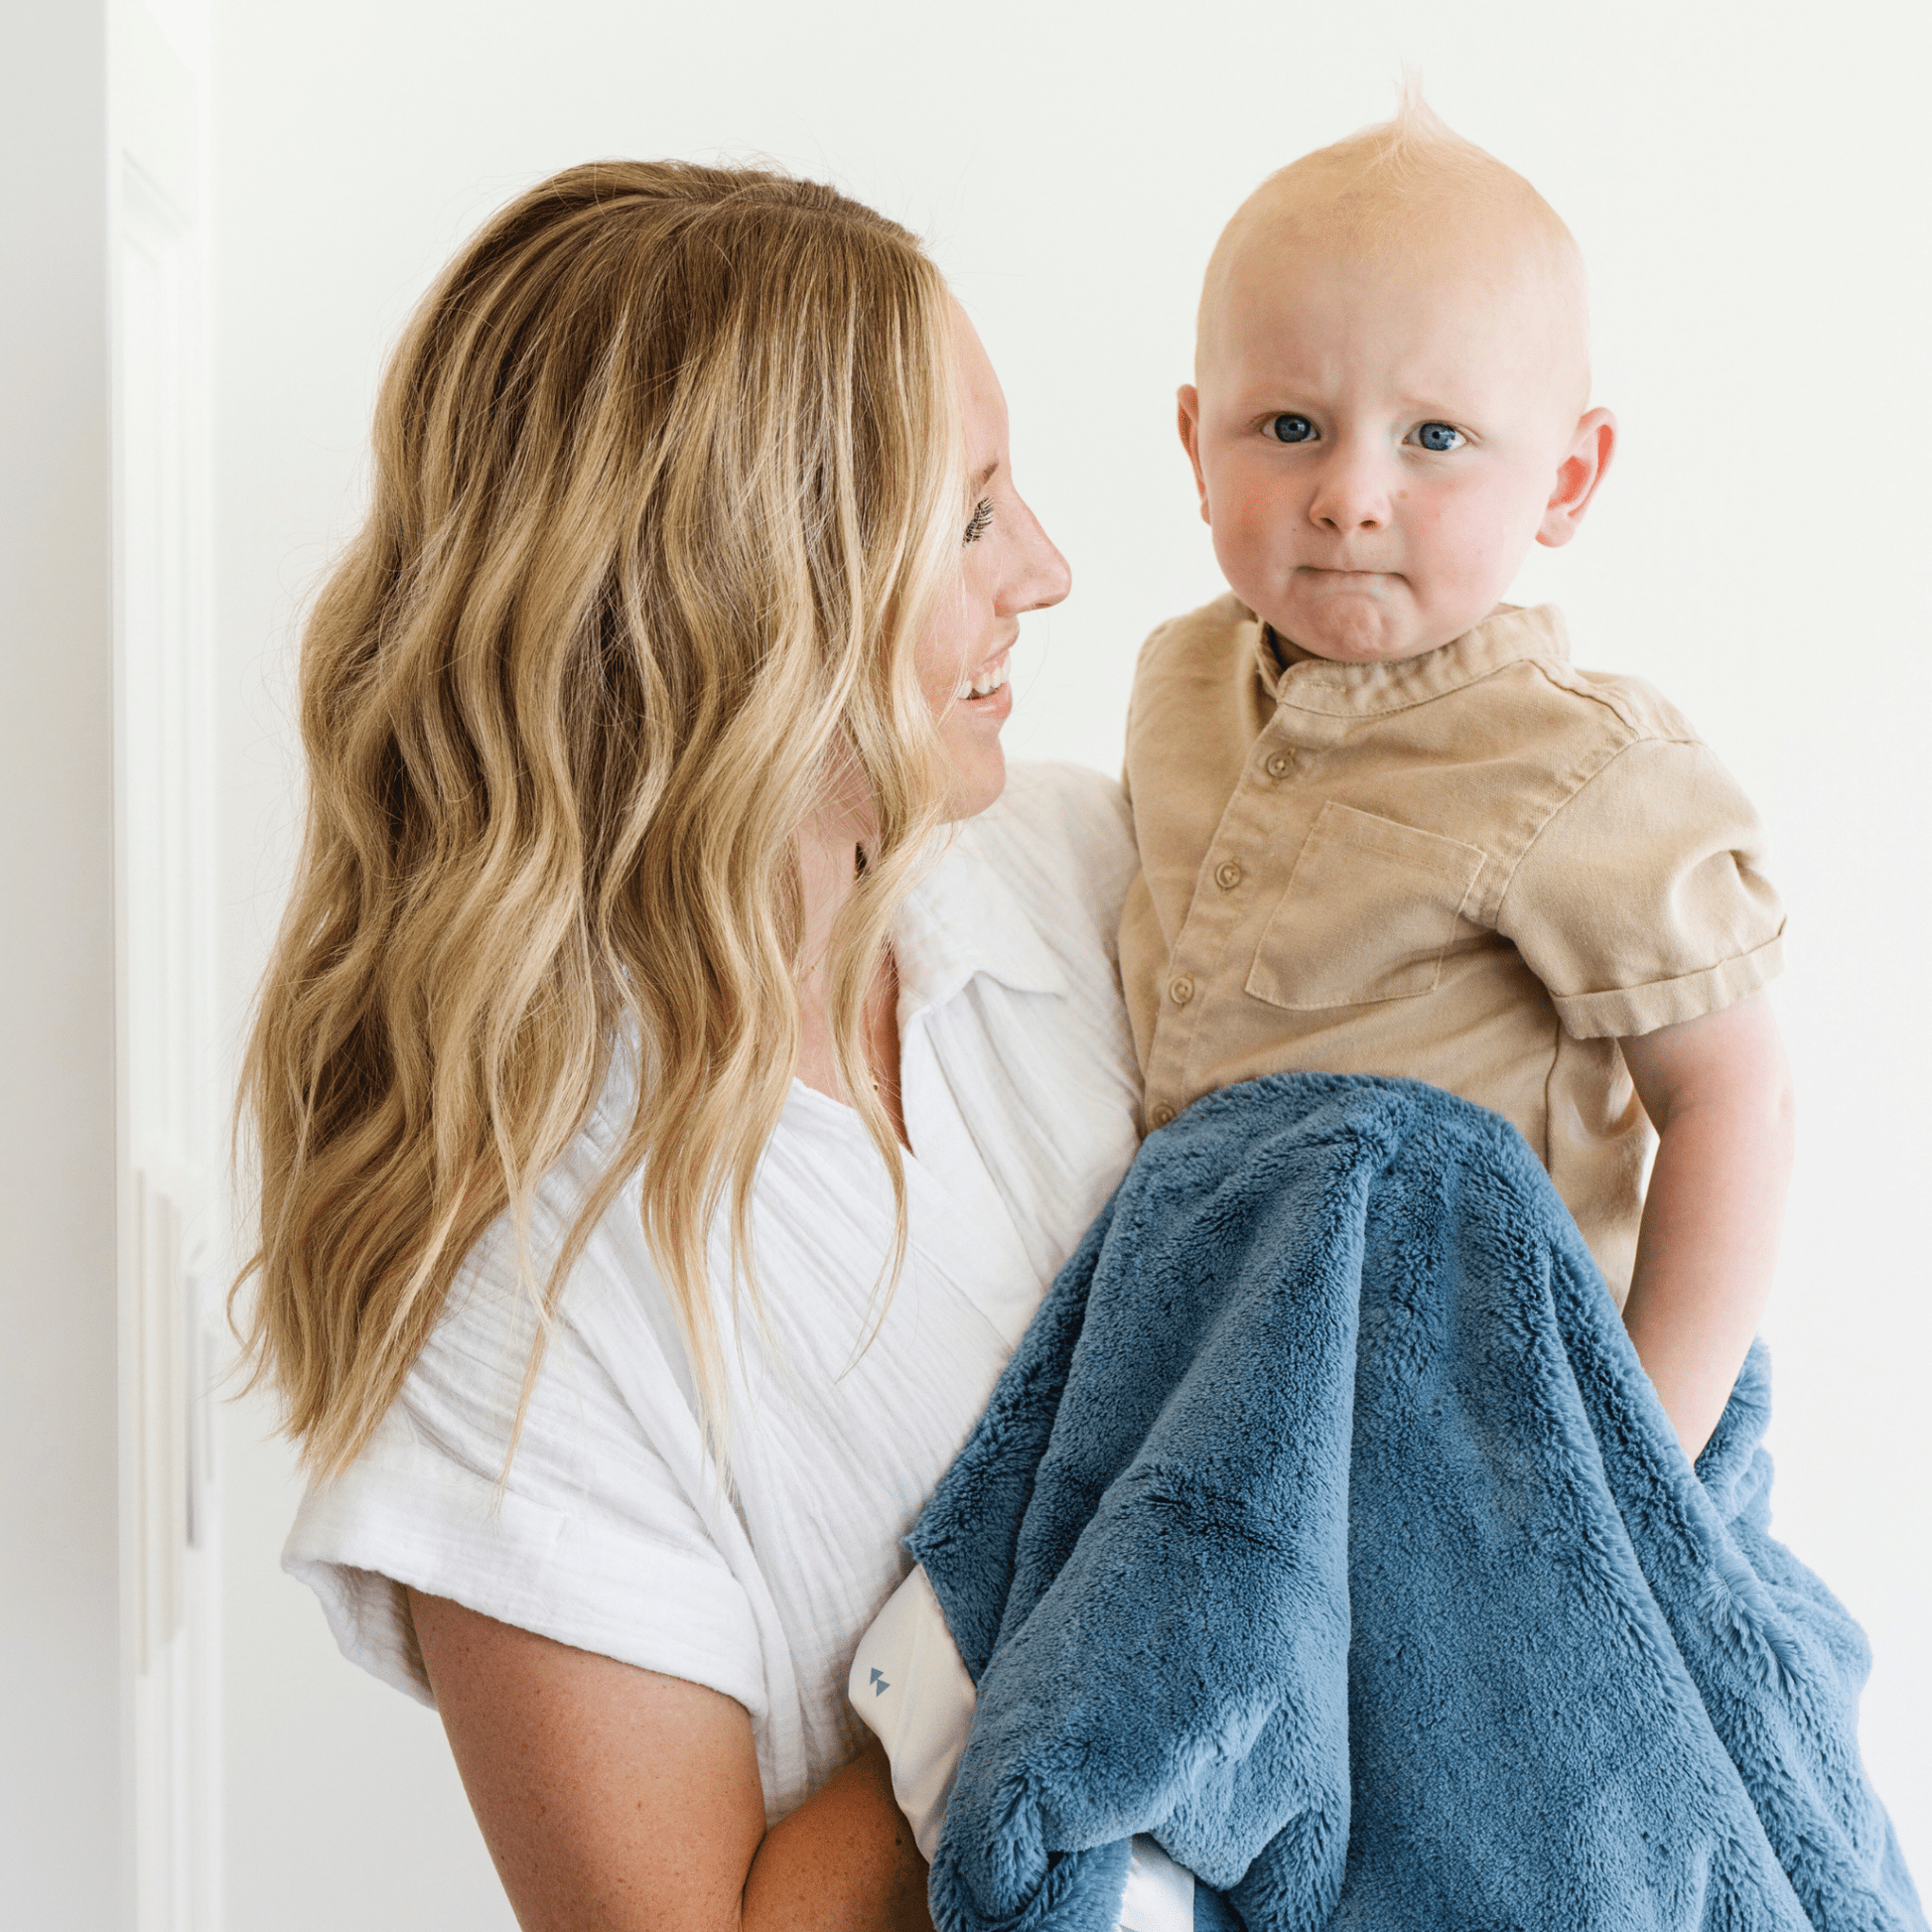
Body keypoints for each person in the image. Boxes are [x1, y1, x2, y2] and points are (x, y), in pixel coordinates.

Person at [851, 86, 1797, 1893]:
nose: (1352, 493)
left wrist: (1640, 1461)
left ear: (1567, 478)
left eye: (1436, 436)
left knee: (1506, 1828)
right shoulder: (1177, 687)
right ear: (1196, 446)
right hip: (1246, 1354)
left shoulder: (1576, 767)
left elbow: (1729, 1095)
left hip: (1489, 1406)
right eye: (1290, 425)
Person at [239, 159, 1145, 1931]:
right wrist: (1136, 1571)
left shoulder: (1081, 874)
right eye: (967, 518)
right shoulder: (511, 1306)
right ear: (753, 595)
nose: (1044, 566)